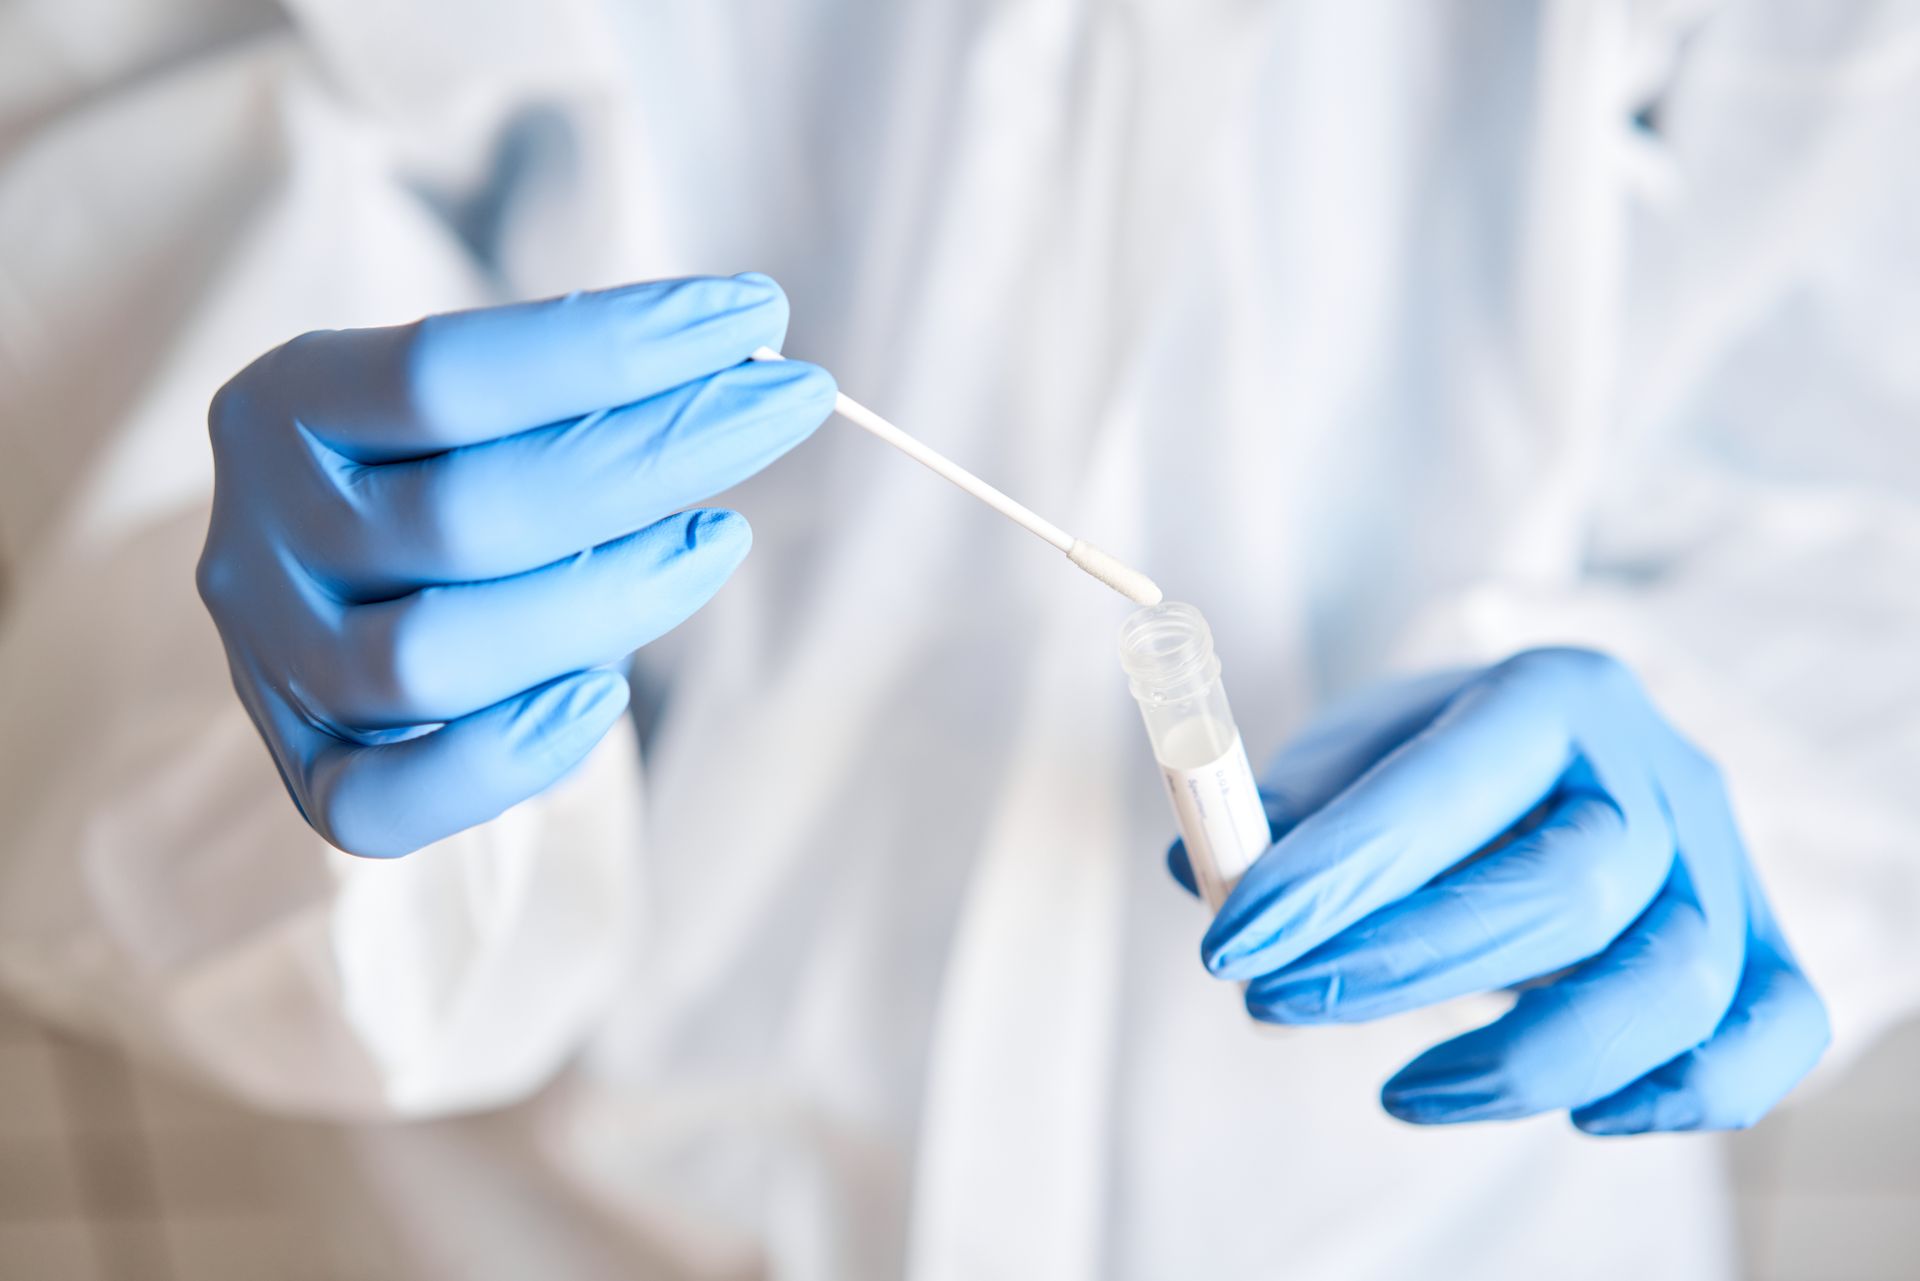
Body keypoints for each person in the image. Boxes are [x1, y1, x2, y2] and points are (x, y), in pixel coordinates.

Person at [2, 2, 1916, 1277]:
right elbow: (95, 300)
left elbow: (1861, 461)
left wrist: (1741, 773)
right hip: (572, 1221)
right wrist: (301, 667)